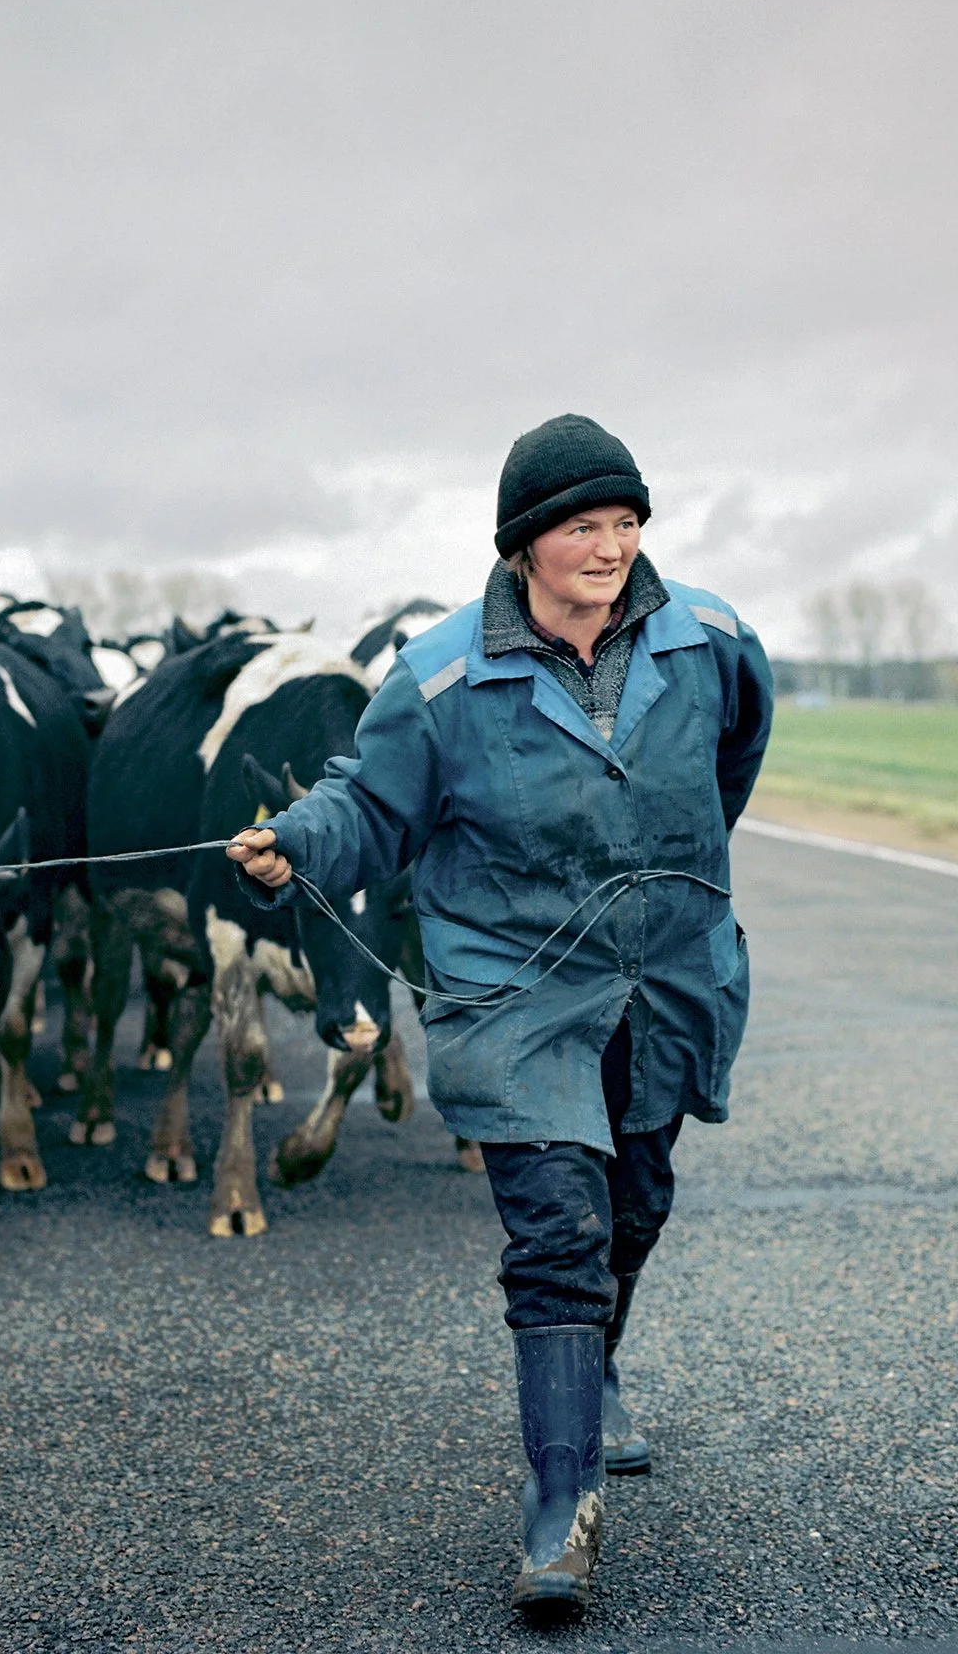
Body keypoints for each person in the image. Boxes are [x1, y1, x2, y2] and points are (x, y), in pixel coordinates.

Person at [229, 413, 773, 1621]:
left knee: (635, 1199)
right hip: (515, 989)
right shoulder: (439, 679)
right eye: (583, 525)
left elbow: (729, 769)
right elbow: (369, 808)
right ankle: (560, 1503)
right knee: (556, 1233)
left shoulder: (716, 642)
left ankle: (599, 1372)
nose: (610, 545)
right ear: (524, 542)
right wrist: (296, 844)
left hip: (667, 973)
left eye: (626, 523)